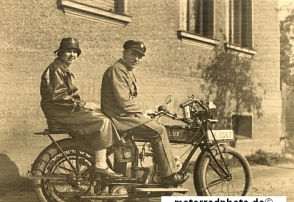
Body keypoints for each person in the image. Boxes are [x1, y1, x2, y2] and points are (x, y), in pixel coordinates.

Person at [100, 40, 189, 185]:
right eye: (133, 54)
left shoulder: (126, 71)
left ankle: (120, 183)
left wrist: (143, 112)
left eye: (140, 56)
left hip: (123, 116)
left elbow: (126, 100)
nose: (136, 59)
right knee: (159, 131)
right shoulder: (118, 70)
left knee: (128, 147)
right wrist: (141, 114)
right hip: (120, 118)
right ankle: (168, 175)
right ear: (124, 53)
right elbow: (123, 101)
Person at [40, 37, 122, 178]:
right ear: (60, 53)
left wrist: (88, 105)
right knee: (103, 122)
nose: (72, 54)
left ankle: (101, 157)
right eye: (68, 51)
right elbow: (58, 97)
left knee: (104, 113)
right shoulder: (56, 68)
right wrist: (83, 105)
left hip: (65, 109)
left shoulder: (62, 68)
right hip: (61, 112)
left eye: (75, 51)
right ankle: (101, 165)